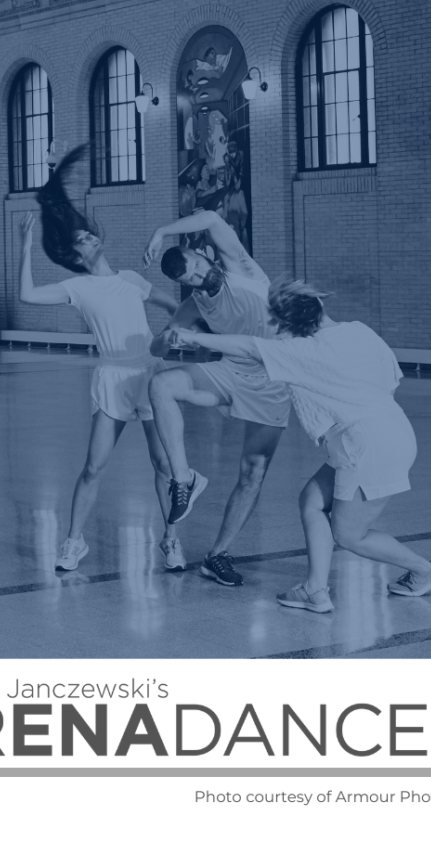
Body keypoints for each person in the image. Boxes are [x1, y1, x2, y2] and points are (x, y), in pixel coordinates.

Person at [166, 280, 431, 612]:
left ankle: (425, 571)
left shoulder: (305, 352)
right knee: (312, 499)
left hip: (366, 444)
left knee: (349, 534)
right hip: (390, 429)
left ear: (291, 325)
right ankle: (315, 590)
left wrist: (192, 337)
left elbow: (249, 347)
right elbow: (390, 379)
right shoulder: (359, 331)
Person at [19, 144, 186, 573]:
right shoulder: (79, 288)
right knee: (93, 467)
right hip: (112, 377)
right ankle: (74, 543)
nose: (89, 237)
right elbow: (27, 294)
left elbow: (174, 308)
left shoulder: (131, 279)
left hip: (148, 372)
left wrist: (189, 331)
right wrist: (25, 248)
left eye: (90, 234)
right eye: (80, 239)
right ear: (76, 255)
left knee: (164, 463)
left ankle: (171, 540)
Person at [142, 210, 292, 587]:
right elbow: (157, 346)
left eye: (195, 265)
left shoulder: (238, 265)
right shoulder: (195, 304)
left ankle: (217, 555)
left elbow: (210, 217)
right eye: (188, 277)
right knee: (161, 385)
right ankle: (184, 478)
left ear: (203, 253)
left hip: (272, 378)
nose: (196, 275)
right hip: (230, 372)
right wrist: (169, 339)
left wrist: (162, 229)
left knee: (252, 473)